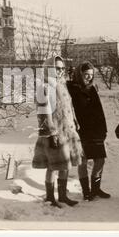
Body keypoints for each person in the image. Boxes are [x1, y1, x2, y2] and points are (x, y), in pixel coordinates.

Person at [32, 55, 83, 207]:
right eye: (57, 68)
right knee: (53, 167)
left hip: (68, 131)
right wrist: (51, 133)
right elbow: (43, 113)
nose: (60, 71)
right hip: (54, 133)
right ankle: (50, 197)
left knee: (65, 165)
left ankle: (62, 196)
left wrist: (74, 120)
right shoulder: (44, 87)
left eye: (62, 68)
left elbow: (69, 106)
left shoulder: (62, 85)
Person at [67, 61, 110, 201]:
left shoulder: (92, 89)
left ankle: (96, 190)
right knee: (83, 161)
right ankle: (86, 191)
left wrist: (103, 128)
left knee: (100, 160)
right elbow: (67, 109)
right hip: (80, 130)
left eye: (91, 75)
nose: (89, 78)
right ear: (79, 74)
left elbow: (99, 109)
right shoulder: (71, 88)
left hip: (95, 129)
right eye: (86, 75)